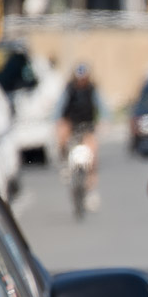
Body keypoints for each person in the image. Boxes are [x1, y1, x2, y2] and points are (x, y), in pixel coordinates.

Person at [55, 62, 106, 210]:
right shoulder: (69, 89)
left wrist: (104, 121)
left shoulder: (92, 89)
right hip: (71, 123)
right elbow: (60, 108)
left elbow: (102, 107)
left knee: (92, 155)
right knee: (62, 134)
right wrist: (58, 122)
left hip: (87, 125)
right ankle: (64, 162)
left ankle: (91, 191)